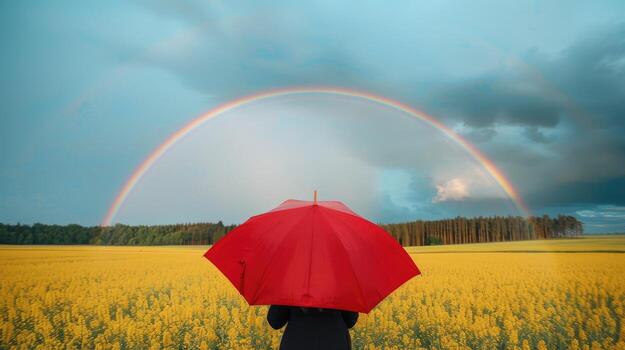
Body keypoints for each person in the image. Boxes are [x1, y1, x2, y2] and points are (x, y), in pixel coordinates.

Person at [267, 305, 359, 350]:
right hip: (334, 343)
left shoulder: (291, 280)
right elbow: (351, 321)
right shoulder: (340, 280)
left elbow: (275, 321)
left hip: (296, 344)